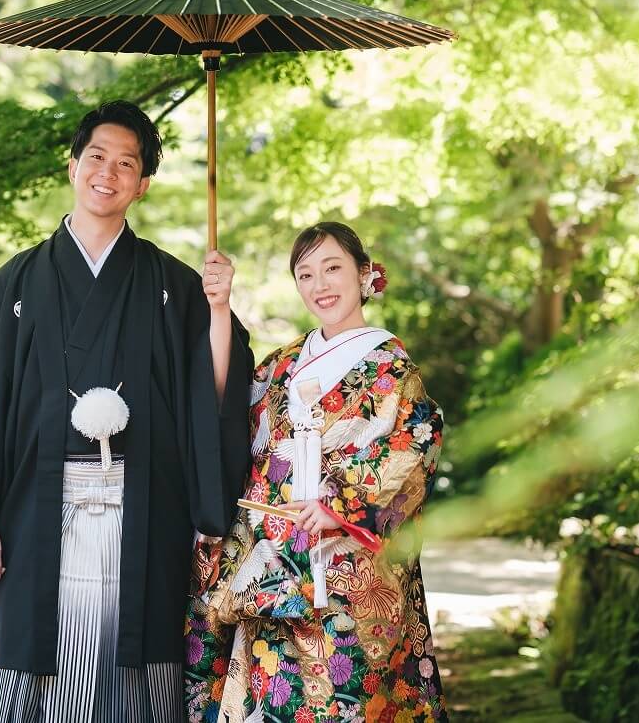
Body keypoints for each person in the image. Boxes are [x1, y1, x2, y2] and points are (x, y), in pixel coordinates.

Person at [0, 100, 253, 722]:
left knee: (138, 672)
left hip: (145, 513)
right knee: (42, 664)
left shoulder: (176, 283)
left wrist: (217, 309)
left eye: (126, 163)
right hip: (34, 511)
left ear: (144, 184)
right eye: (97, 157)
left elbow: (215, 389)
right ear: (73, 165)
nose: (108, 172)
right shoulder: (16, 284)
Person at [184, 221, 449, 723]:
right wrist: (219, 307)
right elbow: (224, 415)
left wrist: (339, 505)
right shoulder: (282, 364)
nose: (320, 285)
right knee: (276, 698)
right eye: (305, 275)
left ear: (365, 273)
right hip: (273, 566)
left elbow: (418, 440)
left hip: (348, 566)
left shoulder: (389, 366)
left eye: (332, 269)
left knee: (347, 698)